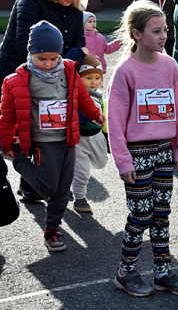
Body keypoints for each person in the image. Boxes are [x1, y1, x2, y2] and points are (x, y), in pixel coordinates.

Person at [108, 0, 178, 297]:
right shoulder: (125, 72)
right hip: (137, 153)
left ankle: (162, 272)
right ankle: (126, 271)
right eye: (156, 31)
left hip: (163, 150)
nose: (164, 36)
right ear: (136, 34)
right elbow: (115, 121)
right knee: (141, 214)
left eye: (165, 30)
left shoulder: (169, 66)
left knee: (161, 212)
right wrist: (123, 161)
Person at [1, 21, 105, 251]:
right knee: (46, 188)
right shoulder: (16, 80)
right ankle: (19, 162)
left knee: (61, 190)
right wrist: (7, 143)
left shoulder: (68, 70)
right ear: (30, 54)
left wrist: (95, 114)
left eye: (53, 58)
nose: (48, 64)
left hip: (67, 139)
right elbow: (7, 115)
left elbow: (82, 96)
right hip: (41, 142)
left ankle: (52, 230)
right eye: (41, 59)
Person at [0, 0, 95, 85]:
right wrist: (56, 64)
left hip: (55, 77)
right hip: (17, 74)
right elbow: (23, 42)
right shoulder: (31, 0)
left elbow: (78, 40)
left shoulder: (75, 6)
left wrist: (66, 64)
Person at [71, 61, 108, 214]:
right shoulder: (76, 96)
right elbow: (76, 115)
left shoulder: (99, 96)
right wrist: (90, 114)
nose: (94, 82)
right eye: (88, 78)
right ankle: (79, 199)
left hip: (96, 135)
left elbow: (105, 117)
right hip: (79, 139)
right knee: (82, 172)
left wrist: (107, 135)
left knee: (101, 163)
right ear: (79, 79)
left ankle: (71, 174)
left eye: (97, 78)